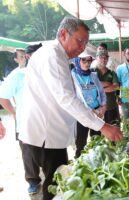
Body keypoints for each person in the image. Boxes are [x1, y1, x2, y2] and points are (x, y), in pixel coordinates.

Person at [19, 16, 122, 200]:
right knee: (55, 187)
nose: (82, 47)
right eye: (80, 41)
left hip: (48, 132)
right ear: (64, 34)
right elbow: (66, 98)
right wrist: (103, 126)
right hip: (45, 135)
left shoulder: (57, 56)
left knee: (57, 183)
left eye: (85, 43)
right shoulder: (53, 56)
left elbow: (68, 96)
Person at [0, 43, 42, 195]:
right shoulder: (17, 75)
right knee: (28, 152)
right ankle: (33, 180)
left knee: (44, 149)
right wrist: (15, 112)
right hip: (24, 121)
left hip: (42, 121)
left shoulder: (46, 73)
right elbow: (3, 97)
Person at [72, 50, 107, 158]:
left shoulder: (93, 75)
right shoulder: (72, 76)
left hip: (97, 111)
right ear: (77, 60)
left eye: (89, 60)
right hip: (82, 113)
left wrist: (103, 106)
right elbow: (72, 96)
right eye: (83, 60)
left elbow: (101, 91)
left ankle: (96, 161)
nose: (87, 63)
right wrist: (87, 110)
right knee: (81, 142)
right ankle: (79, 163)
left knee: (96, 139)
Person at [95, 49, 120, 126]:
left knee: (114, 130)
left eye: (106, 58)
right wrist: (108, 84)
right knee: (96, 135)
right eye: (101, 57)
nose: (104, 59)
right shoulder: (92, 72)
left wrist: (99, 88)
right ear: (96, 58)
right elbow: (91, 85)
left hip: (111, 106)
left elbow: (116, 87)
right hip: (96, 108)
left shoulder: (112, 73)